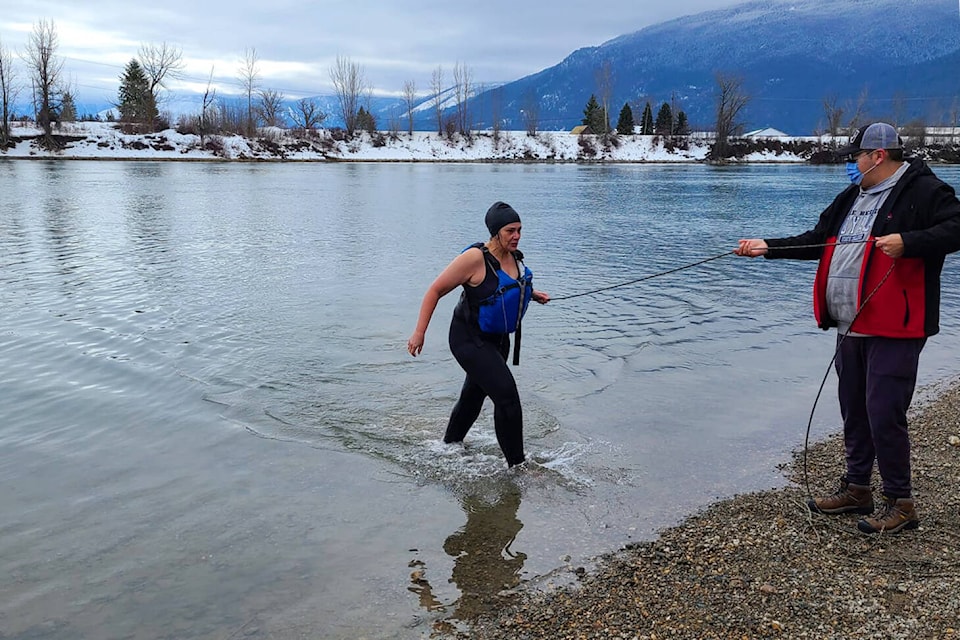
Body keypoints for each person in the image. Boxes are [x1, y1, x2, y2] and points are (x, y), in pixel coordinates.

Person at [735, 122, 960, 534]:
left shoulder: (926, 191)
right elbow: (819, 239)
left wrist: (908, 242)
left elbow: (956, 228)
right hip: (850, 323)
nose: (851, 164)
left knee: (883, 411)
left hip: (897, 324)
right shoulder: (852, 197)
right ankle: (858, 489)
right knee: (854, 409)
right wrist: (768, 247)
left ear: (877, 156)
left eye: (855, 156)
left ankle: (901, 502)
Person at [407, 201, 550, 467]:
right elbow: (434, 290)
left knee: (474, 395)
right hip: (468, 340)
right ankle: (518, 467)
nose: (517, 235)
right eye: (510, 230)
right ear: (495, 232)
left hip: (498, 340)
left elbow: (504, 287)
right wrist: (419, 332)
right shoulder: (474, 259)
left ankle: (448, 447)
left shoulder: (513, 257)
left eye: (519, 229)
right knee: (507, 396)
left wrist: (532, 293)